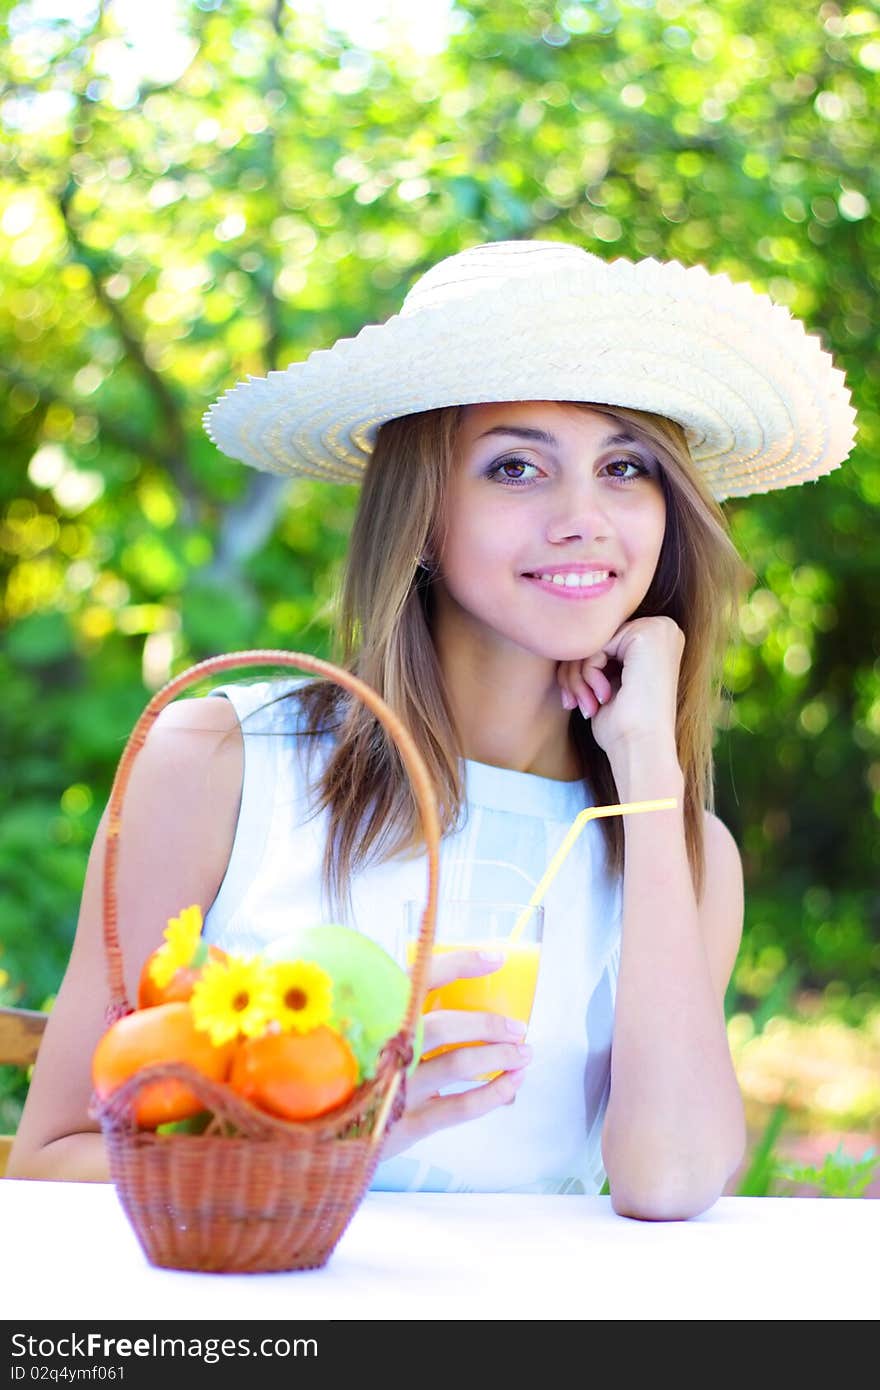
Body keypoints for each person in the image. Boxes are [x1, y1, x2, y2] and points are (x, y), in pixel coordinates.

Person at [8, 239, 856, 1219]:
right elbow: (55, 1156)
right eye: (514, 467)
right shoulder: (219, 762)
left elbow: (667, 1183)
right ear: (419, 512)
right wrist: (336, 1135)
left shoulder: (682, 846)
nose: (584, 517)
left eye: (625, 466)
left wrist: (646, 769)